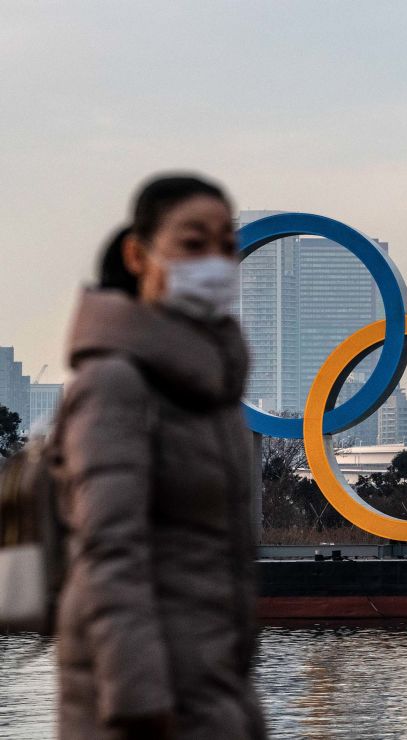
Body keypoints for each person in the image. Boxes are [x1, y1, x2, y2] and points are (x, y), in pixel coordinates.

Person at [55, 175, 265, 739]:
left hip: (210, 685)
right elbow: (109, 552)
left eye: (227, 245)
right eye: (193, 244)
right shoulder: (115, 382)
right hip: (145, 707)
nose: (216, 262)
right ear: (137, 254)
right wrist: (138, 702)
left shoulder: (210, 394)